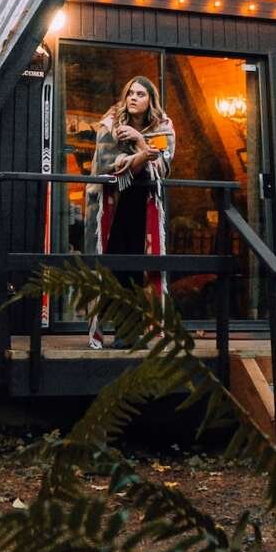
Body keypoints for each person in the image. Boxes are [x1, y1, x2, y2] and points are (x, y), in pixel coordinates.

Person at [85, 76, 176, 349]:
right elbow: (106, 164)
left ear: (151, 100)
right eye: (129, 93)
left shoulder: (163, 126)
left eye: (140, 94)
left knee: (141, 267)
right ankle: (117, 328)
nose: (133, 98)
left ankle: (136, 330)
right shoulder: (111, 123)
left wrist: (138, 141)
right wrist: (141, 153)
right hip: (112, 204)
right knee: (111, 266)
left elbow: (163, 166)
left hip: (144, 204)